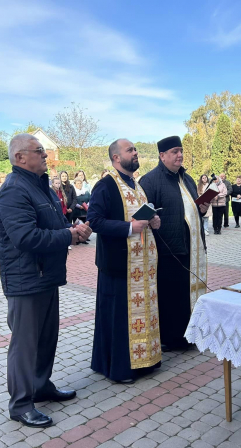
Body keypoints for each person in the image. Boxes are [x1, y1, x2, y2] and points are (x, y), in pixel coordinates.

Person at [0, 134, 92, 428]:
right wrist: (69, 235)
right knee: (25, 344)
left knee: (47, 337)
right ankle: (21, 403)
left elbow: (53, 224)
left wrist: (73, 227)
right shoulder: (13, 190)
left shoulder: (43, 187)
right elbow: (25, 237)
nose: (46, 156)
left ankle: (41, 385)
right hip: (25, 278)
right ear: (20, 157)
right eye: (40, 151)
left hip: (46, 275)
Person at [88, 139, 162, 382]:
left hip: (143, 267)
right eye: (130, 150)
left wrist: (153, 222)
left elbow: (142, 217)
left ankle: (145, 361)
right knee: (120, 318)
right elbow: (95, 221)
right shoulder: (105, 185)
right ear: (116, 158)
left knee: (143, 314)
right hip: (120, 265)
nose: (136, 152)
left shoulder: (137, 186)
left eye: (135, 149)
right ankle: (121, 369)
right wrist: (129, 227)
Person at [140, 136, 209, 351]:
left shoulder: (187, 179)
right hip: (167, 250)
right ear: (162, 156)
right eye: (174, 151)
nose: (179, 155)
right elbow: (143, 215)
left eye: (181, 151)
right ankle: (171, 338)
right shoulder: (149, 181)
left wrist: (202, 208)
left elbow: (192, 209)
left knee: (187, 293)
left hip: (191, 248)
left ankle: (192, 332)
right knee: (171, 296)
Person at [72, 177, 90, 243]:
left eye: (80, 183)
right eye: (78, 183)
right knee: (77, 225)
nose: (79, 184)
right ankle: (77, 239)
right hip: (77, 211)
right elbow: (73, 200)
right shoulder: (74, 192)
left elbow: (90, 199)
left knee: (84, 225)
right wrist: (79, 206)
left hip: (85, 211)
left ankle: (85, 238)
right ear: (75, 184)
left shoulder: (86, 191)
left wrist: (87, 205)